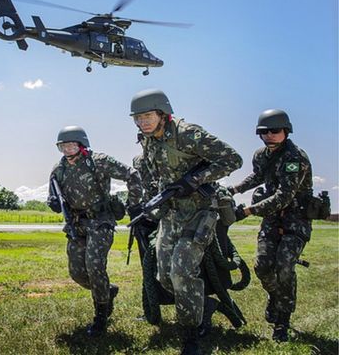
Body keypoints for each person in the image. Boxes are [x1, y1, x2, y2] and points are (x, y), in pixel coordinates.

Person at [129, 89, 242, 355]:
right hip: (171, 212)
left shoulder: (188, 133)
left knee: (182, 272)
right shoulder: (148, 141)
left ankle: (191, 335)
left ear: (162, 113)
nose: (143, 122)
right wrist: (149, 208)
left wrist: (194, 180)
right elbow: (156, 177)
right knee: (165, 276)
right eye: (138, 117)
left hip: (201, 211)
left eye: (147, 115)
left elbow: (232, 159)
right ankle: (205, 306)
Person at [47, 125, 143, 337]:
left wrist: (134, 204)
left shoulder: (98, 161)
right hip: (76, 225)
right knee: (77, 273)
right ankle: (107, 292)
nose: (67, 149)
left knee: (95, 265)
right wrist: (53, 203)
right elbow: (53, 197)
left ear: (81, 144)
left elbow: (132, 174)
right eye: (63, 145)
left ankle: (100, 316)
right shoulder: (58, 169)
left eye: (71, 144)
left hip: (101, 221)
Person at [228, 109, 313, 342]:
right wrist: (234, 189)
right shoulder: (260, 155)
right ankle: (276, 297)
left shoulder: (296, 158)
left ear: (286, 131)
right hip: (272, 219)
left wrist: (247, 210)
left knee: (284, 265)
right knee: (262, 266)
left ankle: (282, 321)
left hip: (296, 218)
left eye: (275, 131)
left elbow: (284, 196)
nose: (270, 136)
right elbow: (257, 177)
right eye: (264, 132)